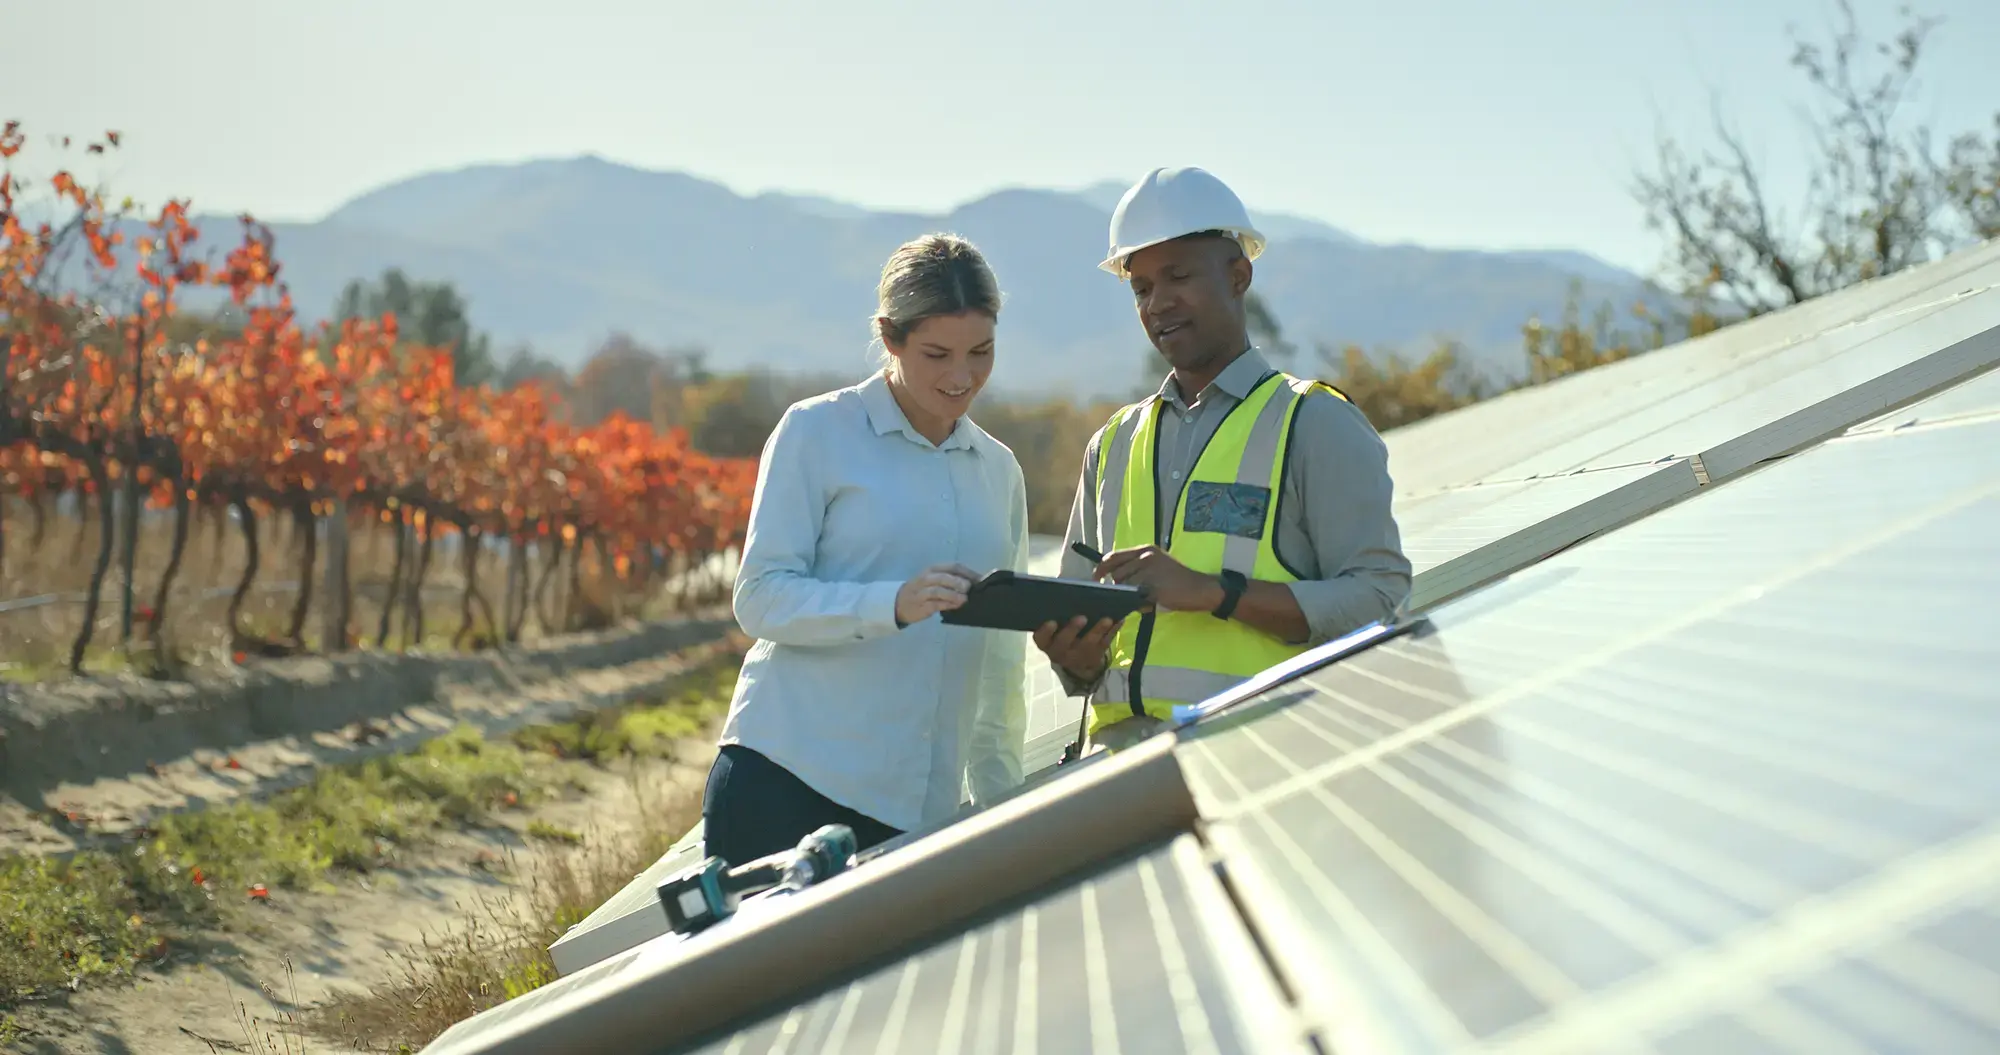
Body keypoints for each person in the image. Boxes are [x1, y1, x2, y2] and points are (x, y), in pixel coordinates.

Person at [1033, 166, 1412, 756]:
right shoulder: (1110, 445)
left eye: (1178, 276)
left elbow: (1379, 598)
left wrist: (1215, 593)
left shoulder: (1314, 422)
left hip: (1267, 759)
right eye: (1141, 288)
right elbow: (1085, 650)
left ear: (1239, 276)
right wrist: (1076, 660)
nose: (1159, 303)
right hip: (1123, 778)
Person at [702, 233, 1030, 865]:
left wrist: (1000, 803)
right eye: (937, 353)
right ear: (889, 336)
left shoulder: (1000, 470)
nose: (962, 377)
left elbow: (1000, 662)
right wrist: (892, 605)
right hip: (785, 784)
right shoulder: (815, 432)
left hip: (917, 817)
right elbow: (760, 598)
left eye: (981, 352)